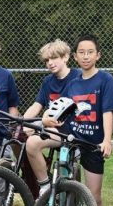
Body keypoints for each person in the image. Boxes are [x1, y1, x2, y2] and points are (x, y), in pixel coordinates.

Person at [66, 34, 113, 206]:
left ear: (98, 55)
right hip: (72, 140)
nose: (86, 56)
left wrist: (107, 139)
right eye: (81, 52)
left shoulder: (105, 80)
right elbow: (65, 110)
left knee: (95, 196)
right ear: (75, 56)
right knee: (66, 188)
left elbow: (108, 112)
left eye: (90, 52)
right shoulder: (72, 82)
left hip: (93, 143)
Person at [22, 39, 81, 189]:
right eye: (47, 60)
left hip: (74, 130)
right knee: (30, 141)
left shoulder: (78, 77)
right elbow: (37, 104)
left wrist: (44, 119)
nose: (50, 63)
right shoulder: (48, 81)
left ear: (66, 57)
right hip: (55, 130)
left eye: (54, 58)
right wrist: (23, 122)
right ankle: (45, 186)